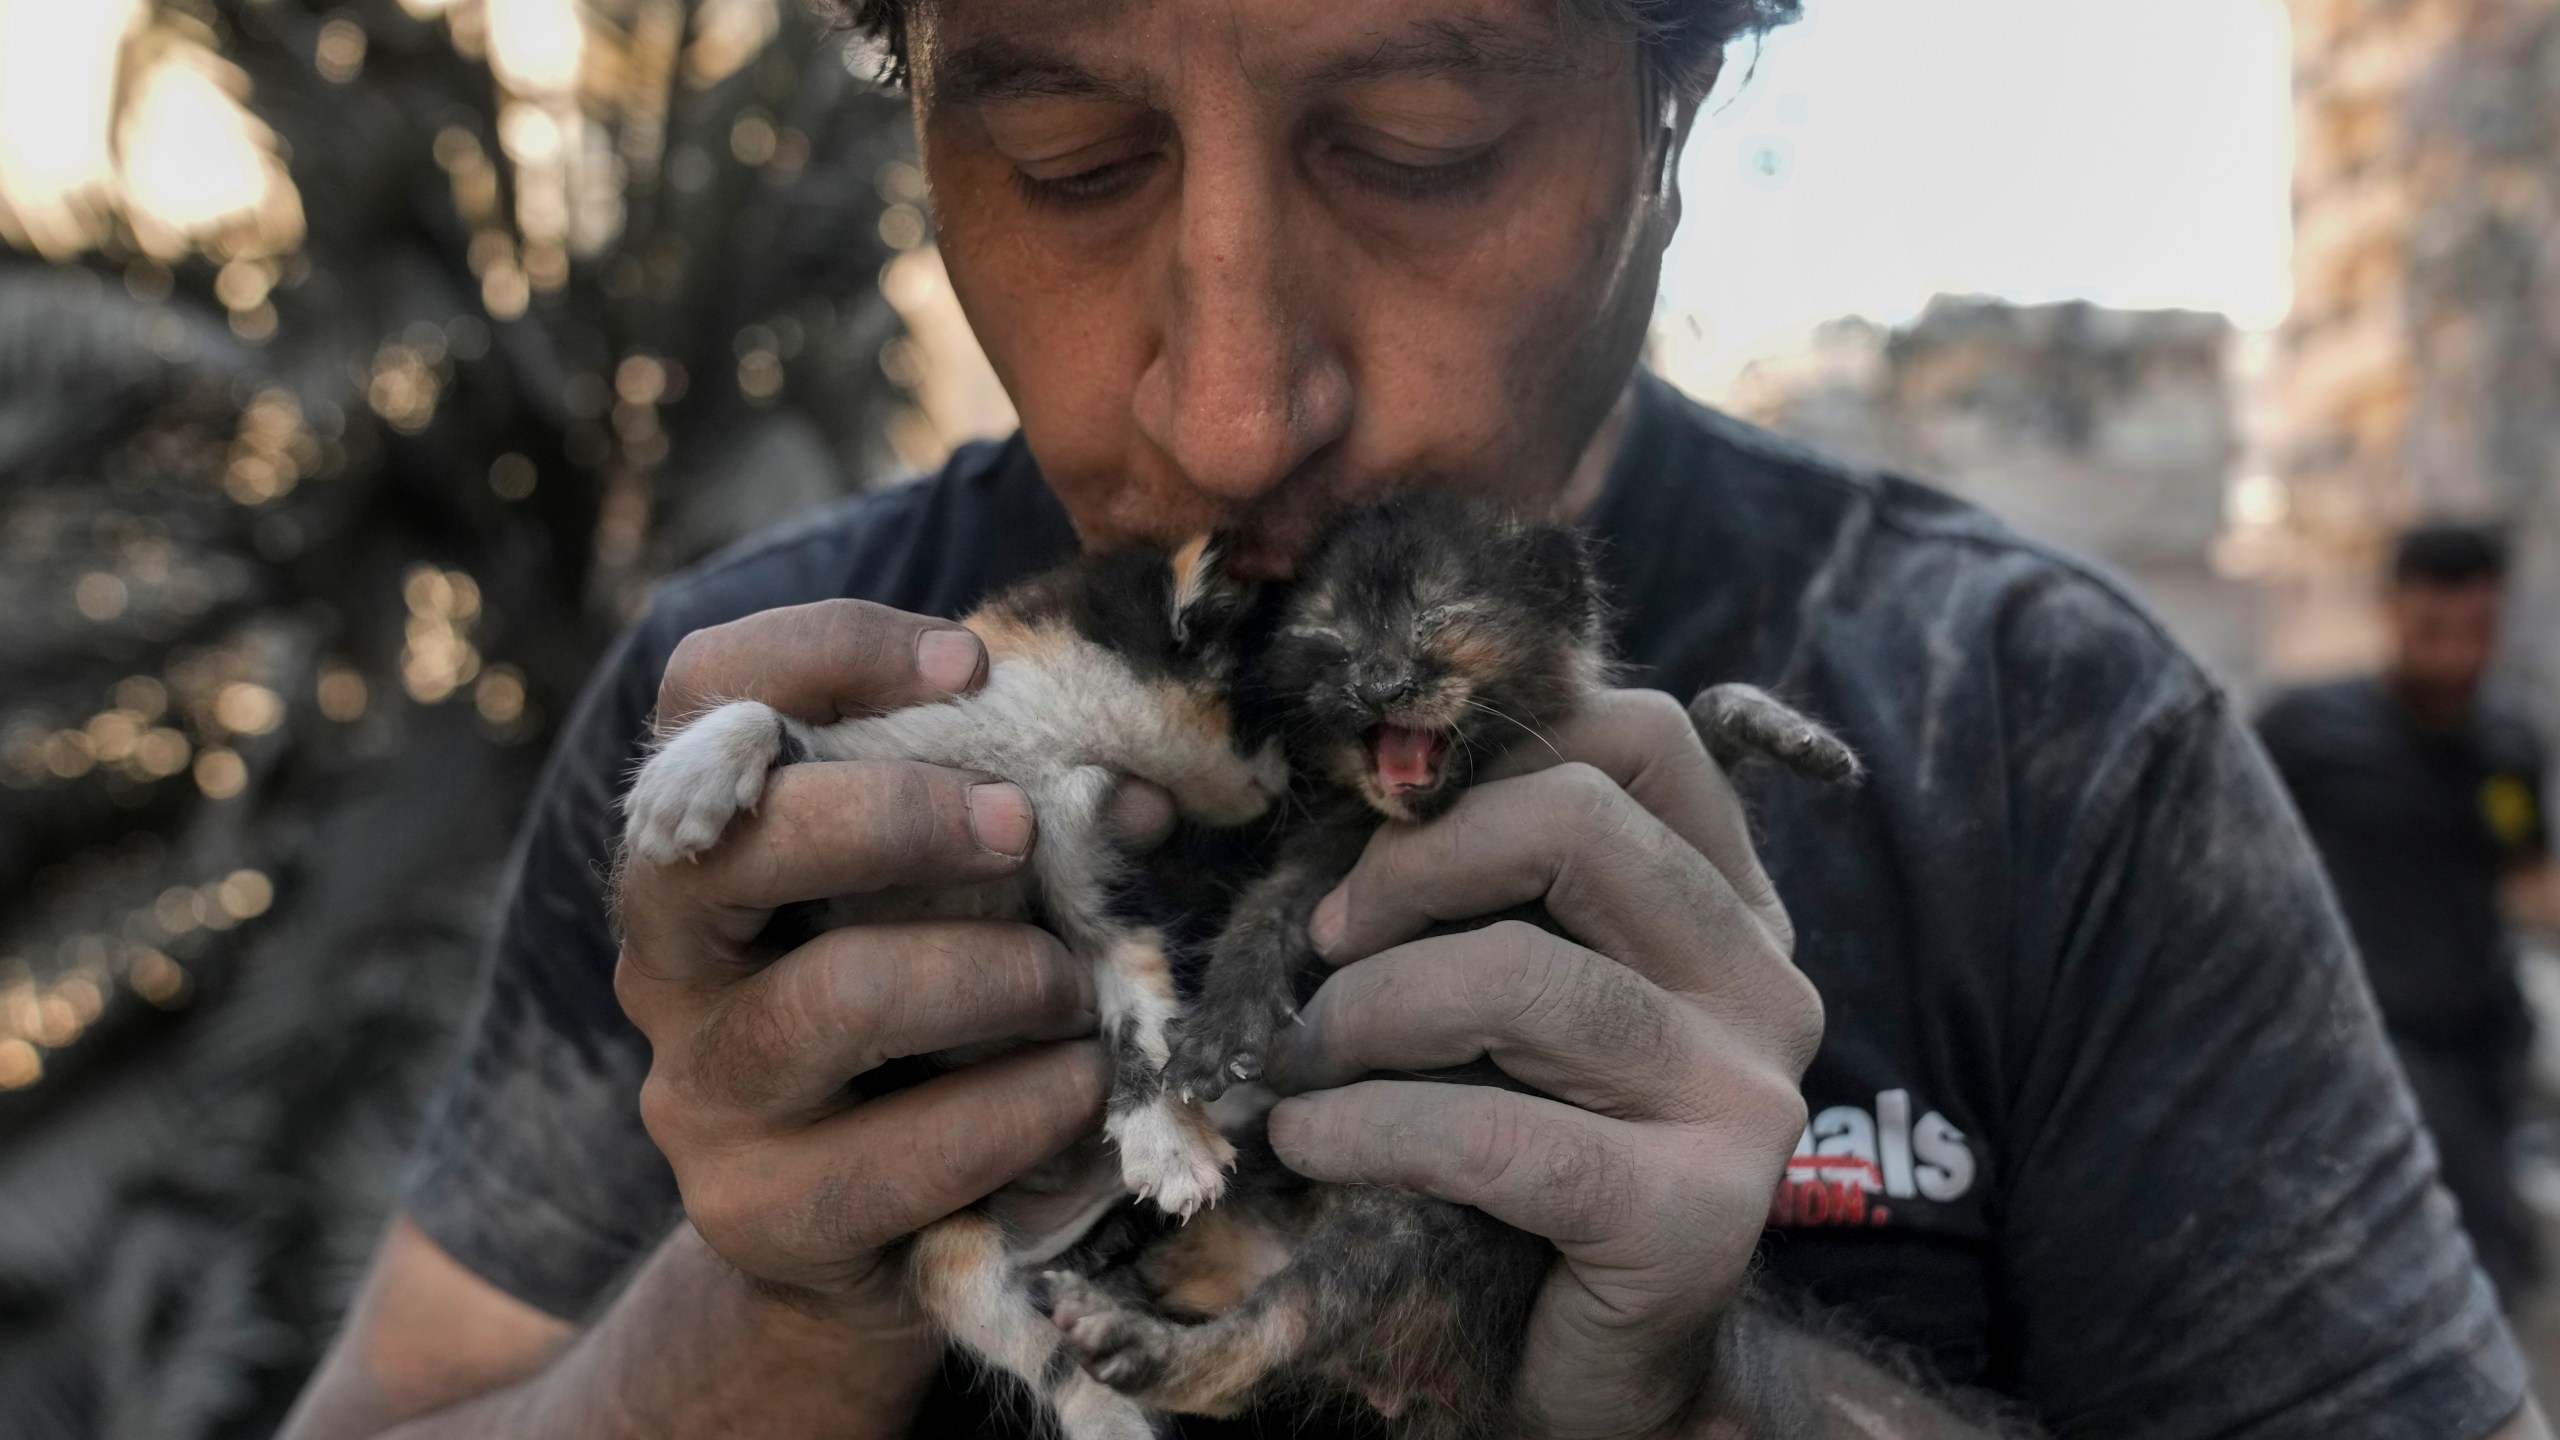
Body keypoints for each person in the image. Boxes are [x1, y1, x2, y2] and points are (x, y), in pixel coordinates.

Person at [279, 2, 2544, 1436]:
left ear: (1676, 96)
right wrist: (770, 1317)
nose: (1232, 400)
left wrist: (1702, 1388)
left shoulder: (2027, 736)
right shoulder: (766, 723)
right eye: (1069, 156)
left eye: (1419, 139)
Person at [2258, 524, 2560, 1305]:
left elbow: (2526, 877)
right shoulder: (2306, 732)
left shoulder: (2506, 743)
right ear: (2392, 611)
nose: (2457, 657)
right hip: (2356, 1051)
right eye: (2435, 630)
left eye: (2479, 632)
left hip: (2480, 1051)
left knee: (2485, 1274)